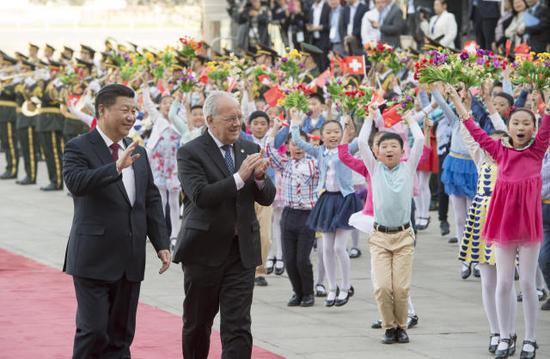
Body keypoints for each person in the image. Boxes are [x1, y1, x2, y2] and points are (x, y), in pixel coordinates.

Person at [62, 84, 171, 358]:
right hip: (93, 259)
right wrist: (115, 168)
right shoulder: (79, 147)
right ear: (102, 110)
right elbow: (76, 183)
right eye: (125, 110)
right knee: (93, 331)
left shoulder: (139, 151)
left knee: (121, 337)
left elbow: (150, 199)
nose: (131, 116)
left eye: (134, 111)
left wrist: (161, 243)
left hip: (130, 259)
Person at [174, 91, 276, 358]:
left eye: (239, 117)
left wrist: (262, 179)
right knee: (198, 323)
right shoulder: (190, 153)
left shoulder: (249, 148)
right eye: (230, 118)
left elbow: (266, 197)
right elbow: (201, 196)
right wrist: (240, 177)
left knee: (238, 325)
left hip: (240, 252)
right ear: (210, 120)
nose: (237, 123)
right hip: (203, 252)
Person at [452, 89, 550, 359]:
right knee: (504, 283)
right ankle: (505, 337)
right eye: (516, 123)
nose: (520, 127)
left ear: (534, 128)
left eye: (526, 123)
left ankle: (530, 339)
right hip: (503, 225)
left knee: (528, 284)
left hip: (528, 226)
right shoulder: (498, 151)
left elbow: (548, 121)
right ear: (508, 127)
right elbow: (472, 127)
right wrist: (457, 100)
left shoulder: (538, 150)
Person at [357, 104, 425, 345]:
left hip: (404, 236)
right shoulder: (374, 169)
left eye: (393, 146)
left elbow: (420, 140)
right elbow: (362, 143)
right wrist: (368, 120)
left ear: (401, 150)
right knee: (383, 288)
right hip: (380, 237)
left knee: (402, 288)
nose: (388, 150)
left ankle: (401, 327)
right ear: (377, 152)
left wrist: (409, 119)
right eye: (384, 146)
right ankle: (389, 327)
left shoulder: (408, 167)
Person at [290, 110, 363, 308]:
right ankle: (332, 288)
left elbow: (363, 140)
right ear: (321, 136)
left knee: (339, 247)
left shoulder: (346, 149)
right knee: (326, 250)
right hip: (326, 200)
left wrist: (366, 117)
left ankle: (346, 286)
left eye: (336, 131)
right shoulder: (319, 151)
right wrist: (295, 122)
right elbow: (298, 140)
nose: (333, 135)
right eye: (328, 132)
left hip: (345, 201)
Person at [266, 118, 320, 307]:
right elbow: (268, 150)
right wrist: (275, 129)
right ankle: (297, 292)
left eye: (300, 144)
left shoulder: (314, 164)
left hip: (307, 215)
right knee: (289, 260)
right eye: (293, 144)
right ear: (287, 146)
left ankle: (308, 293)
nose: (297, 147)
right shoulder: (284, 164)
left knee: (302, 259)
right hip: (288, 215)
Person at [306, 0, 331, 71]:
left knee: (324, 63)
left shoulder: (327, 7)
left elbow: (330, 24)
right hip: (313, 40)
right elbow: (309, 20)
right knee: (316, 63)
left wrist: (319, 27)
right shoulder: (312, 7)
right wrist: (309, 27)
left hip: (324, 40)